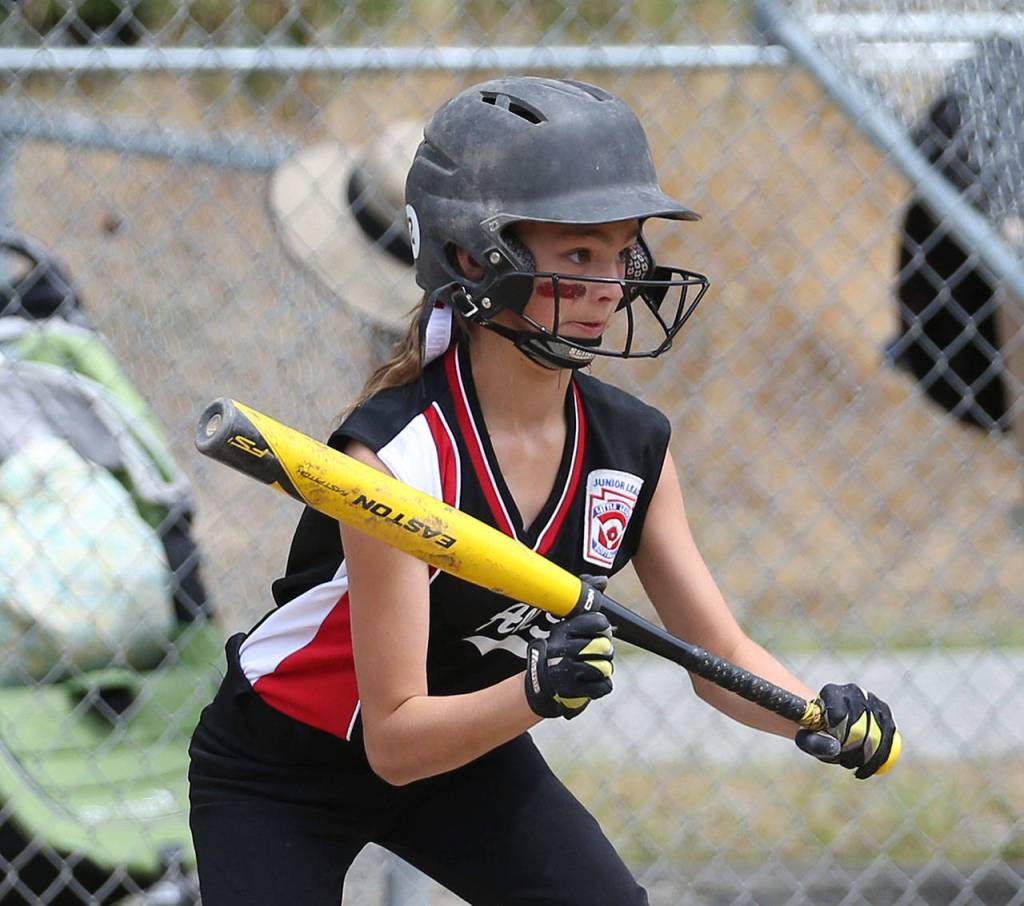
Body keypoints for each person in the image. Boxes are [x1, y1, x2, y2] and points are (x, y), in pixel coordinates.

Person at [188, 77, 900, 905]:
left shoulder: (629, 451)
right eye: (576, 255)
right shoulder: (398, 460)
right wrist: (534, 695)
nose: (609, 285)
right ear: (471, 258)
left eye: (622, 251)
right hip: (284, 761)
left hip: (461, 738)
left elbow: (719, 662)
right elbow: (392, 741)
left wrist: (818, 714)